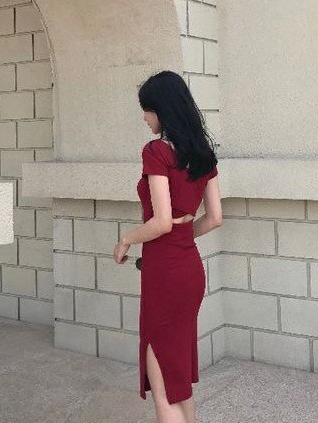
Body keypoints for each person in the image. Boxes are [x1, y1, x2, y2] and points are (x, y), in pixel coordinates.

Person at [113, 70, 222, 423]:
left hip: (165, 275)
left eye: (147, 110)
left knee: (163, 388)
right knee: (178, 380)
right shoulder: (203, 154)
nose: (145, 118)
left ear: (162, 109)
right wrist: (182, 233)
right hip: (190, 270)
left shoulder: (157, 151)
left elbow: (160, 222)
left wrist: (126, 239)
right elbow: (214, 218)